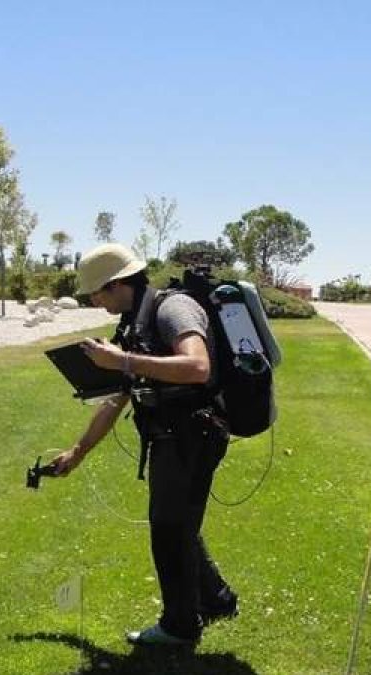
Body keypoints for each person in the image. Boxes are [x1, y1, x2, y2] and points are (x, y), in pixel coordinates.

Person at [48, 243, 238, 646]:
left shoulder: (173, 310)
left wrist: (122, 361)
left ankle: (180, 627)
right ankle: (217, 600)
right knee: (178, 525)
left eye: (97, 292)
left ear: (117, 284)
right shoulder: (133, 323)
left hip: (193, 437)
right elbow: (118, 396)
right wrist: (77, 452)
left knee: (170, 530)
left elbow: (197, 367)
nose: (94, 300)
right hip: (170, 437)